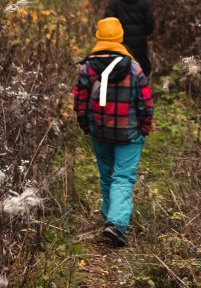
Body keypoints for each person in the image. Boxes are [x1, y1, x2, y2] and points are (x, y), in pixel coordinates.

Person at [73, 17, 154, 247]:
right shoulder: (134, 68)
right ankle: (116, 223)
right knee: (123, 177)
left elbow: (79, 99)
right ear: (119, 37)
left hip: (100, 131)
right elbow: (145, 103)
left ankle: (110, 218)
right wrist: (144, 127)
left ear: (99, 37)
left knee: (107, 175)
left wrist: (84, 123)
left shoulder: (88, 67)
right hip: (128, 134)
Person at [104, 0, 155, 78]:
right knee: (140, 78)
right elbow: (150, 26)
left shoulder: (114, 2)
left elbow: (107, 26)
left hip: (121, 49)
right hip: (140, 50)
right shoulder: (143, 1)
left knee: (123, 79)